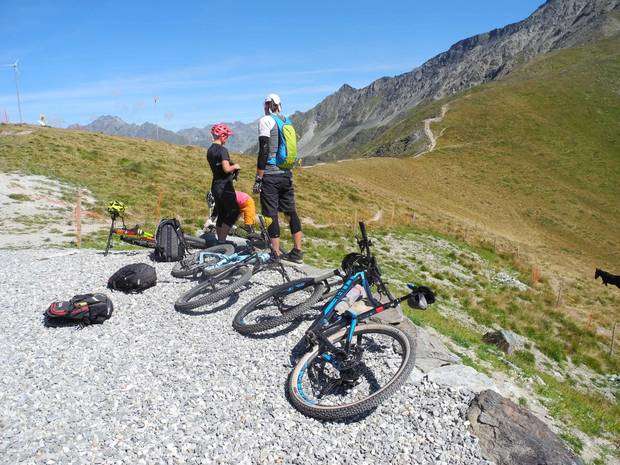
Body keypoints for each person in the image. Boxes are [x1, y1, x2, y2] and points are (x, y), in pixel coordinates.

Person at [253, 93, 303, 263]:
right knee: (290, 212)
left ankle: (276, 253)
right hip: (286, 174)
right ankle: (297, 251)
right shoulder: (286, 121)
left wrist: (259, 177)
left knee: (270, 213)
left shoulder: (265, 121)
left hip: (271, 175)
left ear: (267, 105)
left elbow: (264, 150)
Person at [207, 123, 240, 242]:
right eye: (226, 136)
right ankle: (222, 240)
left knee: (221, 212)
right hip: (225, 186)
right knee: (234, 212)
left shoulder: (210, 150)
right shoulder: (223, 150)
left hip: (215, 185)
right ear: (222, 136)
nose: (227, 138)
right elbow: (226, 169)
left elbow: (219, 167)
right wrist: (235, 166)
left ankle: (219, 241)